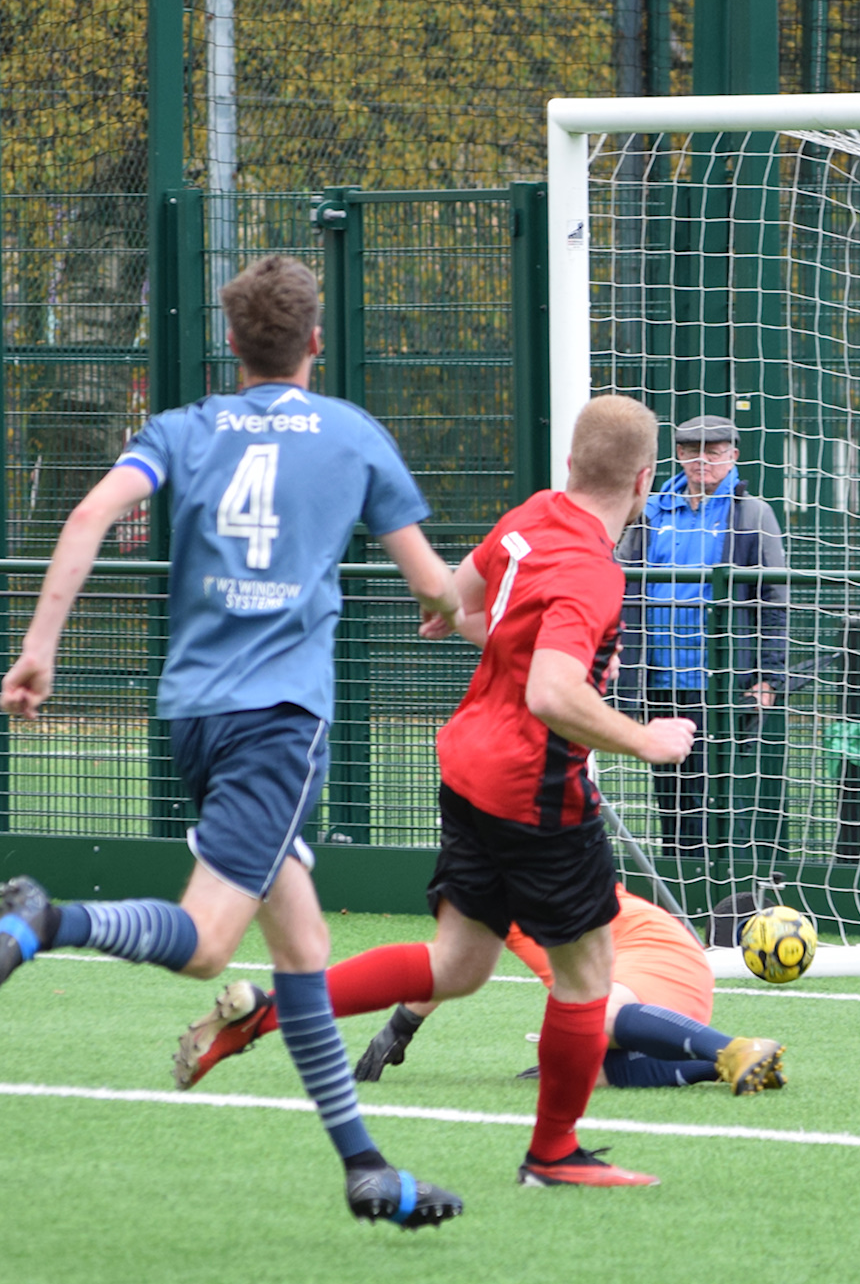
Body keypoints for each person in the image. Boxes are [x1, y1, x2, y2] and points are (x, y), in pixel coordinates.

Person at [0, 253, 467, 1231]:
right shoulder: (354, 436)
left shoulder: (182, 429)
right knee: (204, 947)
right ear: (316, 340)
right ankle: (45, 921)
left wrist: (37, 650)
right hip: (277, 724)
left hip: (191, 714)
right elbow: (431, 585)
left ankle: (366, 1167)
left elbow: (87, 513)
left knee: (305, 943)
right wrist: (452, 604)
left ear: (232, 345)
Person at [299, 394, 699, 1188]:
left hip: (465, 766)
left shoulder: (532, 515)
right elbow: (554, 694)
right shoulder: (594, 570)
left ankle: (273, 1006)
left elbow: (449, 601)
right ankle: (553, 1154)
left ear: (570, 464)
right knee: (588, 977)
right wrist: (648, 737)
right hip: (534, 788)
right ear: (647, 479)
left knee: (456, 965)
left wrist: (515, 642)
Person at [170, 883, 786, 1094]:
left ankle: (731, 1049)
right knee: (576, 1065)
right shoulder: (509, 886)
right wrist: (400, 1028)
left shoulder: (509, 883)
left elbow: (444, 964)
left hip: (653, 959)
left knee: (595, 1018)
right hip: (645, 967)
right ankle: (716, 1068)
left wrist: (399, 1027)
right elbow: (450, 967)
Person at [614, 413, 789, 864]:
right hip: (660, 676)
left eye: (714, 451)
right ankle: (678, 879)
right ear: (678, 455)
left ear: (733, 456)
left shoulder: (753, 514)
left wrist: (768, 676)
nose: (702, 460)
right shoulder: (649, 511)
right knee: (671, 793)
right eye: (692, 451)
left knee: (720, 793)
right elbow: (621, 589)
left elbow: (774, 600)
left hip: (724, 680)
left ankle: (727, 884)